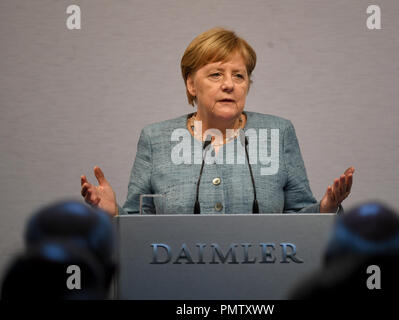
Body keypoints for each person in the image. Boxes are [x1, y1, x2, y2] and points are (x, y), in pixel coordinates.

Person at [80, 27, 354, 216]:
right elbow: (138, 226)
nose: (229, 85)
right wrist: (113, 214)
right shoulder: (156, 138)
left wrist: (326, 207)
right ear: (191, 84)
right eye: (215, 75)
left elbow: (299, 219)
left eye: (239, 75)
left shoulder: (278, 132)